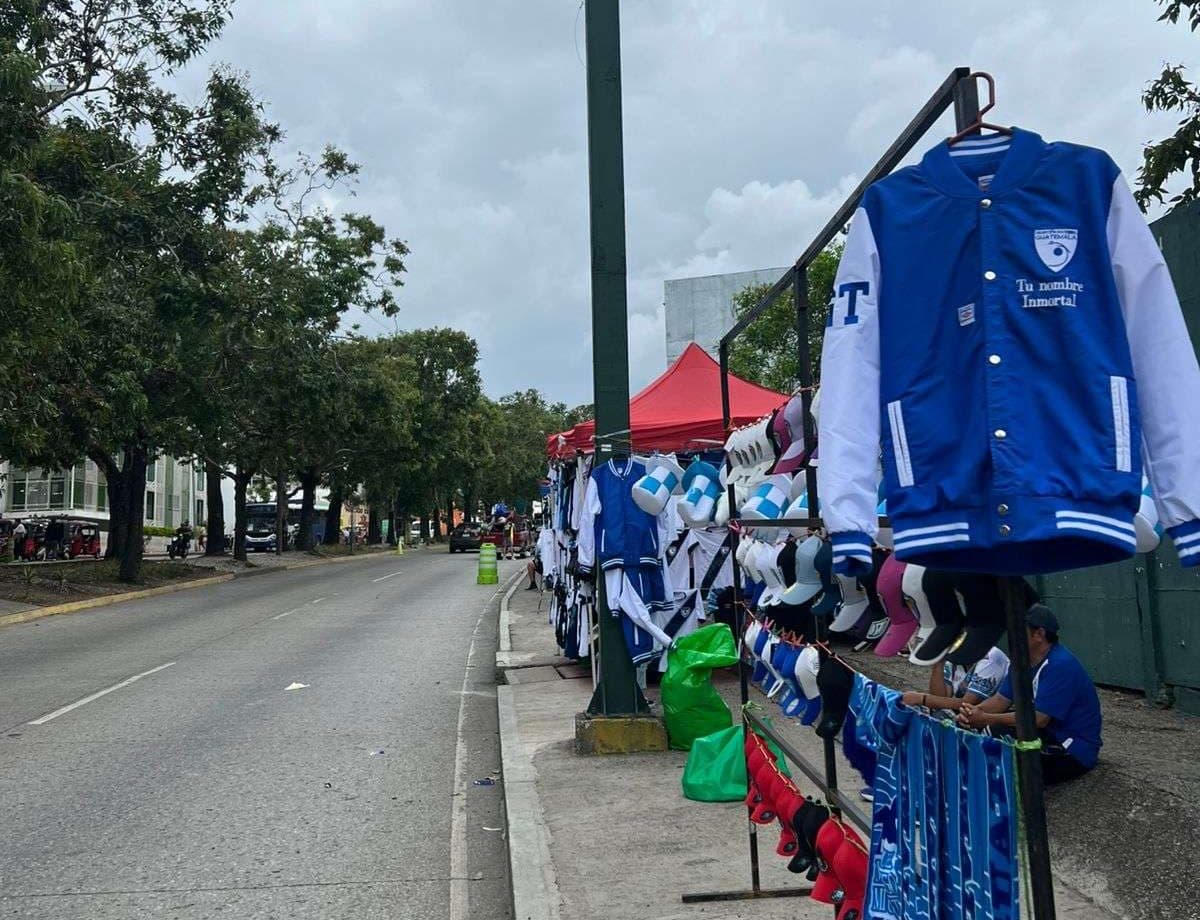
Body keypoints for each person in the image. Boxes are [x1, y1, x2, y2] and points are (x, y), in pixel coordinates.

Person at [958, 605, 1102, 784]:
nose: (1011, 635)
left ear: (1039, 635)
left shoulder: (1060, 665)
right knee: (976, 733)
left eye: (1017, 629)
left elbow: (1039, 719)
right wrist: (972, 712)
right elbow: (1001, 700)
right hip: (1042, 733)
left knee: (994, 745)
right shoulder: (1022, 659)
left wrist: (985, 718)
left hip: (1072, 749)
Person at [901, 646, 1010, 714]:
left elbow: (968, 703)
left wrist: (922, 698)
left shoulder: (991, 656)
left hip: (995, 718)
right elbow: (940, 697)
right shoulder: (954, 653)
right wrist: (938, 664)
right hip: (966, 714)